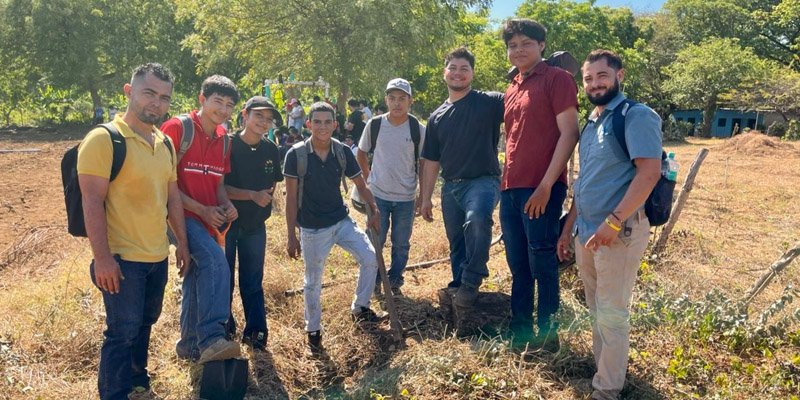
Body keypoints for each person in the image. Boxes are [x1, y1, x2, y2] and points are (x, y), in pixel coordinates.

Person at [78, 63, 190, 399]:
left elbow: (172, 198)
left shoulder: (165, 143)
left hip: (157, 255)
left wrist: (181, 244)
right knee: (121, 332)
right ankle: (115, 392)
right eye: (149, 93)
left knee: (146, 322)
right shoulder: (103, 140)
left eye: (164, 98)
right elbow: (91, 202)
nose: (156, 103)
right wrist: (103, 260)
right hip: (122, 260)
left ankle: (137, 377)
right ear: (129, 92)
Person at [558, 50, 662, 400]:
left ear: (619, 75)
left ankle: (606, 390)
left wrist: (614, 222)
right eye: (588, 78)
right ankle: (605, 369)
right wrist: (568, 226)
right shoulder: (593, 122)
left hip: (619, 233)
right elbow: (586, 179)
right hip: (586, 232)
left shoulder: (636, 116)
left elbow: (649, 173)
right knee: (595, 308)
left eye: (602, 76)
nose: (594, 83)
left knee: (613, 312)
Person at [499, 18, 580, 351]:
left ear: (542, 45)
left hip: (542, 187)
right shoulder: (513, 86)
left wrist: (547, 186)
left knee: (542, 261)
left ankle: (548, 336)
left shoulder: (557, 79)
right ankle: (520, 333)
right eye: (513, 45)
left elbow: (570, 133)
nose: (519, 50)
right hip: (510, 188)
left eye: (526, 43)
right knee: (518, 263)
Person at [283, 102, 384, 354]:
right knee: (312, 282)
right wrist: (291, 236)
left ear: (335, 125)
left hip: (341, 222)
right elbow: (290, 198)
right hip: (312, 229)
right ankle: (313, 331)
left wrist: (373, 208)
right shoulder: (296, 155)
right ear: (308, 124)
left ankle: (360, 308)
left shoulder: (342, 151)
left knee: (371, 258)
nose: (322, 126)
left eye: (328, 122)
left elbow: (360, 184)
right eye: (317, 121)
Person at [161, 75, 241, 364]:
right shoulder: (178, 128)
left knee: (196, 277)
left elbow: (218, 183)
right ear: (202, 99)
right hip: (177, 216)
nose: (222, 109)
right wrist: (202, 210)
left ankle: (189, 347)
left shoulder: (223, 140)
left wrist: (225, 204)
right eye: (217, 101)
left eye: (229, 105)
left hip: (206, 220)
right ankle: (211, 339)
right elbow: (163, 182)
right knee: (216, 263)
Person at [419, 47, 504, 308]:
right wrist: (425, 199)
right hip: (451, 187)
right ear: (444, 72)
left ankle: (471, 280)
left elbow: (522, 99)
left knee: (477, 221)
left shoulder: (490, 102)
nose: (458, 73)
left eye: (464, 69)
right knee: (456, 240)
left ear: (472, 74)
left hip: (483, 181)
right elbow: (432, 161)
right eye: (453, 68)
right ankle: (458, 284)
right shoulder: (436, 117)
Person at [223, 96, 284, 350]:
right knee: (223, 279)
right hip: (226, 224)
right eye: (259, 116)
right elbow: (218, 187)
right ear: (245, 115)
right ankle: (223, 328)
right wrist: (250, 195)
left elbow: (273, 183)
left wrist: (262, 198)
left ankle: (256, 332)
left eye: (268, 119)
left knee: (252, 280)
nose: (264, 122)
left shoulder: (271, 149)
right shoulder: (227, 145)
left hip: (255, 225)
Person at [356, 78, 426, 295]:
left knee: (401, 242)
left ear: (410, 101)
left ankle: (395, 278)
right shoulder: (375, 124)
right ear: (386, 100)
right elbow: (361, 153)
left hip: (406, 197)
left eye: (402, 99)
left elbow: (424, 163)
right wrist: (369, 180)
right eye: (392, 98)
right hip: (378, 196)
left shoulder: (418, 128)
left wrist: (423, 195)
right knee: (376, 239)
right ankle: (375, 278)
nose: (397, 103)